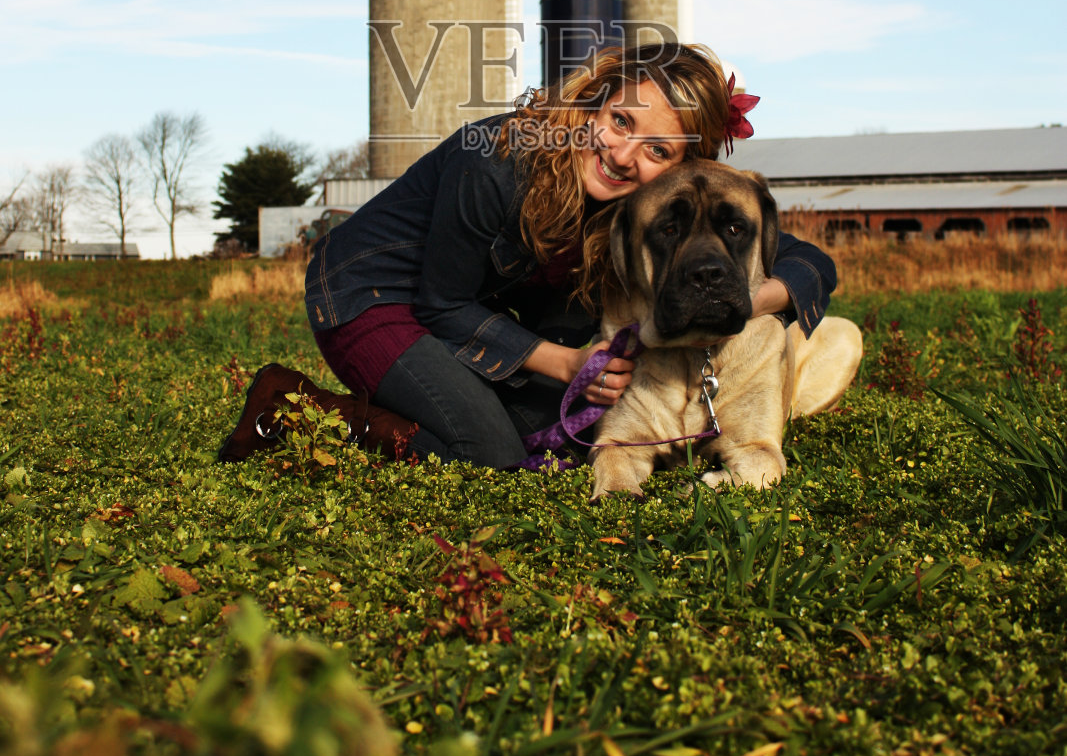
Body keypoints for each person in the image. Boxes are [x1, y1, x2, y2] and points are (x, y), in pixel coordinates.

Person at [217, 44, 836, 468]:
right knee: (488, 452)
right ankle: (295, 405)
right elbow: (441, 303)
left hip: (472, 319)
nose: (624, 156)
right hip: (374, 299)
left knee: (579, 433)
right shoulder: (497, 159)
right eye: (619, 121)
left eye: (657, 150)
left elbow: (809, 261)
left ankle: (423, 401)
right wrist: (566, 363)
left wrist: (740, 299)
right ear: (593, 100)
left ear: (683, 166)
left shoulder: (640, 197)